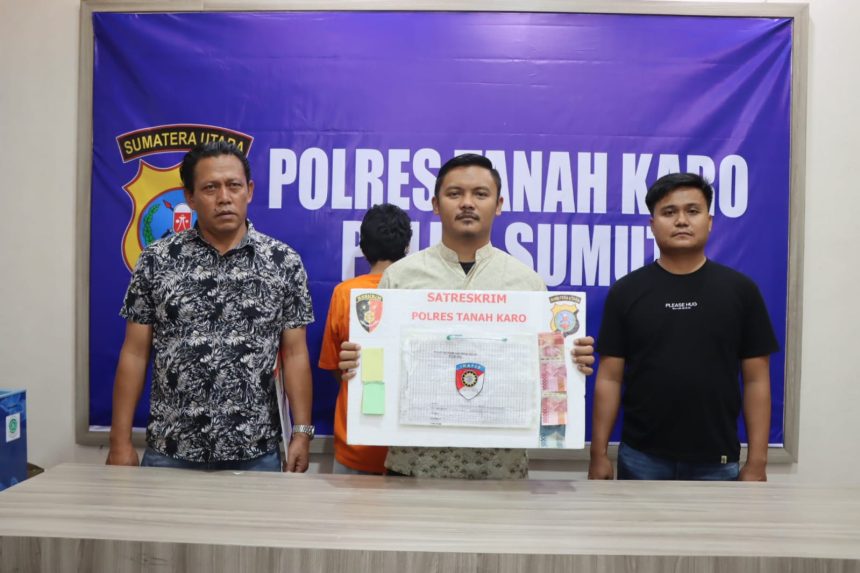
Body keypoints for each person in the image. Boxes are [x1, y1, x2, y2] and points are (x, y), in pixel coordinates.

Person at [338, 153, 595, 479]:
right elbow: (380, 366)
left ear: (498, 205)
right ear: (436, 204)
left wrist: (569, 362)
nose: (467, 203)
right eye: (455, 193)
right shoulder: (400, 278)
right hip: (414, 468)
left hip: (501, 470)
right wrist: (359, 363)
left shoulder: (527, 284)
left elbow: (546, 374)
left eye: (480, 194)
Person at [106, 141, 315, 472]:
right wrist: (119, 442)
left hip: (255, 454)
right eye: (210, 188)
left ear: (249, 191)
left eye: (234, 185)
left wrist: (301, 433)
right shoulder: (157, 261)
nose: (224, 197)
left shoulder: (283, 262)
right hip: (171, 451)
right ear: (189, 197)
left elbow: (295, 354)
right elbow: (134, 353)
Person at [588, 172, 778, 482]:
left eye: (692, 211)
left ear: (709, 221)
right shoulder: (626, 291)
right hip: (641, 458)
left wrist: (757, 462)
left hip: (717, 460)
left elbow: (757, 380)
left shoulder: (741, 291)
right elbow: (609, 378)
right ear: (652, 225)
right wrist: (598, 455)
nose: (681, 221)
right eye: (669, 212)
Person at [318, 204, 413, 475]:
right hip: (406, 446)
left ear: (363, 247)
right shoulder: (418, 293)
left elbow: (336, 367)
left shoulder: (344, 293)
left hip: (356, 442)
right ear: (407, 247)